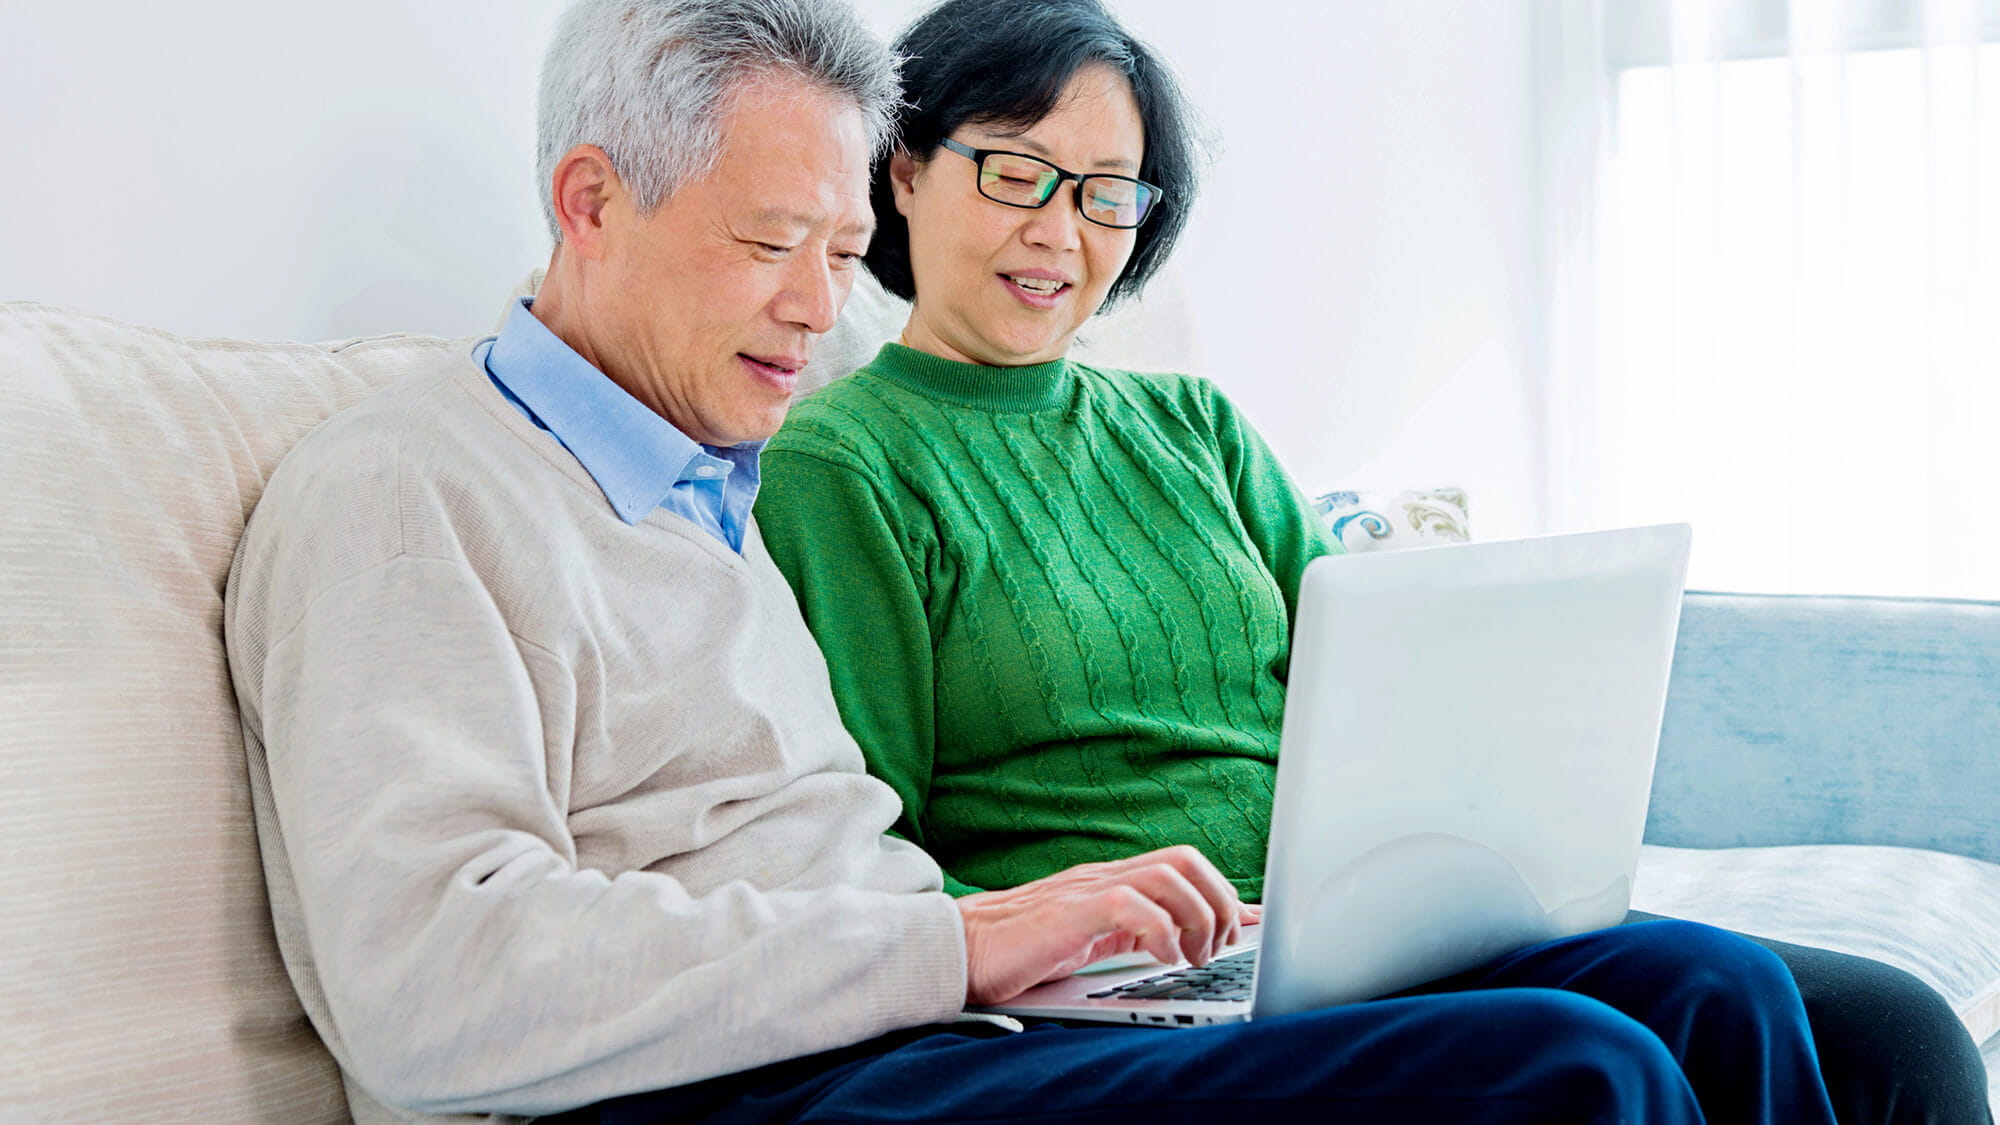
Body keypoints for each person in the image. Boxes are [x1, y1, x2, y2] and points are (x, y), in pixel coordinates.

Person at [226, 0, 1837, 1122]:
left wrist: (1018, 966)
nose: (817, 309)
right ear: (591, 201)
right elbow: (431, 982)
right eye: (775, 244)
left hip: (917, 1031)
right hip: (732, 1087)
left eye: (842, 256)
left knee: (1729, 999)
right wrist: (964, 940)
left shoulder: (702, 487)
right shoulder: (408, 487)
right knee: (1576, 1072)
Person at [752, 0, 1992, 1123]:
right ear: (903, 171)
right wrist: (1081, 928)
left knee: (1809, 1005)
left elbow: (1371, 681)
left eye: (1104, 194)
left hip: (1339, 923)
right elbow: (875, 840)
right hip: (1130, 977)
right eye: (1016, 173)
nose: (1057, 231)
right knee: (1589, 1056)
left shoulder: (1193, 426)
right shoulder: (843, 463)